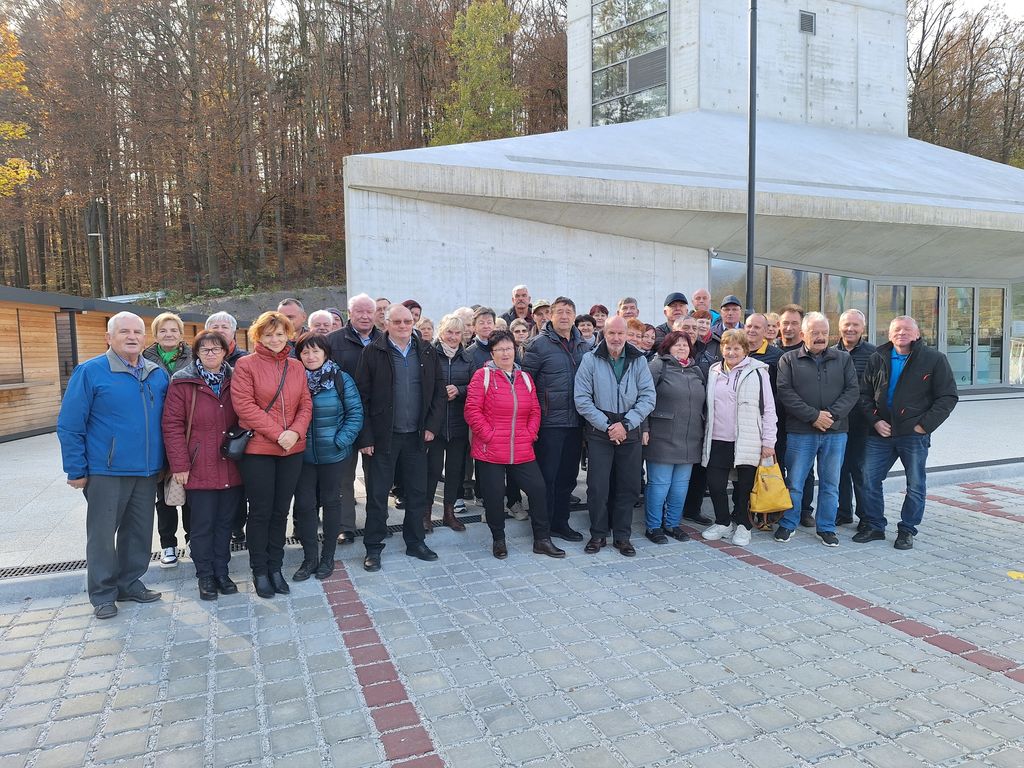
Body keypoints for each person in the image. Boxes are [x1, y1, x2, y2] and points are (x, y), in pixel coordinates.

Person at [57, 312, 169, 619]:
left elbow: (168, 422)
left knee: (139, 532)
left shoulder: (157, 374)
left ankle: (129, 583)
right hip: (106, 470)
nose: (132, 337)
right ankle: (103, 594)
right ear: (109, 337)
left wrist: (165, 462)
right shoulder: (90, 372)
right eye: (124, 332)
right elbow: (70, 424)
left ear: (145, 338)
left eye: (137, 332)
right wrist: (76, 469)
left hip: (147, 471)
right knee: (103, 536)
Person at [355, 303, 446, 572]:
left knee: (417, 493)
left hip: (416, 437)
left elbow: (439, 392)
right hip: (383, 438)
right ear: (386, 324)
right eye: (397, 322)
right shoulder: (373, 352)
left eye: (408, 321)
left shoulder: (426, 351)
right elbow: (361, 397)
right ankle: (373, 547)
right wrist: (366, 437)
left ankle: (415, 542)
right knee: (377, 495)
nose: (403, 326)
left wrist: (432, 427)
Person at [854, 316, 958, 550]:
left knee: (915, 484)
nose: (902, 333)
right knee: (869, 478)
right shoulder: (877, 357)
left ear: (917, 334)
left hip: (913, 434)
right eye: (897, 329)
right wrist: (875, 421)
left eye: (907, 329)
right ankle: (875, 525)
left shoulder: (934, 359)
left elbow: (948, 397)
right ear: (889, 334)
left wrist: (924, 426)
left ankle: (907, 530)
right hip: (880, 433)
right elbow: (864, 395)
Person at [464, 330, 566, 560]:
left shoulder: (525, 378)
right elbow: (472, 411)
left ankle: (542, 539)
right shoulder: (483, 376)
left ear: (515, 350)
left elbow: (535, 410)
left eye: (509, 348)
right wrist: (489, 435)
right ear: (492, 353)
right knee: (494, 496)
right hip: (490, 448)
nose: (505, 353)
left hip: (521, 446)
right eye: (500, 349)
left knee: (538, 490)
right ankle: (499, 539)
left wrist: (530, 434)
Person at [231, 311, 313, 598]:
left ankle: (276, 567)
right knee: (261, 512)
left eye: (280, 334)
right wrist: (279, 433)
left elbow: (306, 404)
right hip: (259, 450)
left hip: (292, 449)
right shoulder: (246, 365)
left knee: (281, 511)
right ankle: (260, 570)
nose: (275, 339)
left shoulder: (296, 366)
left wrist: (296, 432)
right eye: (269, 334)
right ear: (258, 336)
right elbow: (244, 406)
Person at [162, 330, 243, 600]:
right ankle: (205, 575)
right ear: (196, 353)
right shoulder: (183, 381)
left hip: (231, 463)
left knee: (225, 523)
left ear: (225, 352)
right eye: (204, 349)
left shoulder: (236, 378)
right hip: (198, 465)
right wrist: (179, 465)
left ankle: (222, 571)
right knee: (202, 524)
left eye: (216, 348)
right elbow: (172, 426)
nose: (210, 353)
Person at [773, 313, 859, 547]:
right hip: (801, 432)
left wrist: (830, 416)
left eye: (824, 332)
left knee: (830, 483)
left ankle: (826, 527)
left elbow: (852, 391)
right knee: (795, 482)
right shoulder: (788, 359)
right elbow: (785, 393)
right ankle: (788, 523)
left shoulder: (843, 359)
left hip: (835, 432)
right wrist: (813, 416)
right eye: (814, 332)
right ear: (803, 335)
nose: (820, 337)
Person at [575, 316, 656, 556]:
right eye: (612, 333)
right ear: (604, 333)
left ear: (626, 334)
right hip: (600, 431)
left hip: (630, 429)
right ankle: (598, 534)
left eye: (621, 333)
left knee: (628, 486)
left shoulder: (638, 360)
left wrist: (627, 424)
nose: (617, 338)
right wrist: (607, 426)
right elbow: (582, 398)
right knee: (597, 487)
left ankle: (622, 536)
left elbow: (648, 397)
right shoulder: (590, 359)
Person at [292, 333, 363, 581]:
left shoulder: (341, 379)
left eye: (316, 351)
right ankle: (310, 557)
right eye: (305, 352)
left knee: (332, 503)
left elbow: (355, 414)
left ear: (326, 353)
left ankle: (328, 556)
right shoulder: (293, 379)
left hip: (333, 455)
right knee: (305, 506)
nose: (311, 356)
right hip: (301, 456)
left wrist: (340, 441)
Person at [522, 296, 590, 542]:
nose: (564, 316)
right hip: (549, 423)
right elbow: (526, 384)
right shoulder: (537, 345)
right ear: (550, 316)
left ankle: (561, 523)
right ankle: (543, 526)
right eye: (559, 311)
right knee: (546, 478)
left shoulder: (584, 346)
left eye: (568, 312)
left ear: (574, 316)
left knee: (568, 478)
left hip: (576, 423)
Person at [700, 329, 777, 547]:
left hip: (747, 439)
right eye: (727, 347)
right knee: (716, 484)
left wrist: (768, 441)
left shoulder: (758, 372)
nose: (731, 352)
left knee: (744, 487)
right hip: (717, 438)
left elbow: (769, 409)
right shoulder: (714, 371)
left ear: (745, 350)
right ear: (722, 349)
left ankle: (744, 524)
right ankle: (723, 522)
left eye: (737, 348)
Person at [327, 293, 381, 544]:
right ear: (349, 313)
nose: (365, 316)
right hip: (343, 418)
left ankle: (376, 523)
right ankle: (345, 526)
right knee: (343, 476)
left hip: (376, 417)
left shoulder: (385, 339)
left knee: (376, 476)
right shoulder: (332, 341)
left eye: (369, 311)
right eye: (359, 311)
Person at [644, 331, 705, 544]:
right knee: (659, 485)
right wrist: (644, 428)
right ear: (667, 347)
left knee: (680, 487)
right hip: (662, 437)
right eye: (677, 344)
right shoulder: (657, 367)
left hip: (690, 438)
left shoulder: (696, 370)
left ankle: (672, 524)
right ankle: (653, 526)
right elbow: (643, 399)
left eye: (685, 345)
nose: (682, 348)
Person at [143, 312, 193, 568]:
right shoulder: (144, 359)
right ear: (155, 334)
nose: (169, 334)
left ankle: (193, 539)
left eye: (173, 330)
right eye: (163, 330)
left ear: (181, 333)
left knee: (191, 492)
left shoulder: (194, 357)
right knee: (163, 495)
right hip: (157, 434)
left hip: (189, 432)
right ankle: (168, 544)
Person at [428, 314, 474, 532]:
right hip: (434, 424)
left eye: (457, 333)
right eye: (449, 332)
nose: (453, 337)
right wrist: (440, 392)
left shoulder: (468, 358)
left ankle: (449, 513)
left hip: (458, 424)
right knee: (432, 470)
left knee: (455, 471)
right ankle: (426, 513)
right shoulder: (429, 354)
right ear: (441, 332)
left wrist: (460, 390)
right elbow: (422, 384)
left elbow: (475, 386)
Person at [205, 311, 248, 542]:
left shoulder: (245, 360)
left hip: (238, 429)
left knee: (237, 482)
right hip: (208, 429)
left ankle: (236, 526)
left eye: (225, 326)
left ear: (234, 332)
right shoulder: (199, 358)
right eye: (215, 326)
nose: (220, 330)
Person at [774, 303, 815, 527]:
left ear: (802, 327)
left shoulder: (810, 352)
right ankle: (779, 506)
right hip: (776, 421)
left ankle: (805, 510)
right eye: (785, 323)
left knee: (804, 469)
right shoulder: (772, 350)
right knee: (777, 465)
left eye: (794, 323)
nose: (789, 327)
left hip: (802, 421)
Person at [834, 309, 876, 529]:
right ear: (839, 326)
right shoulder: (831, 352)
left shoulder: (873, 354)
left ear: (863, 328)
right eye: (846, 324)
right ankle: (843, 512)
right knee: (839, 469)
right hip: (838, 423)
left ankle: (866, 516)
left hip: (862, 423)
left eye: (855, 325)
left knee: (860, 470)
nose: (850, 329)